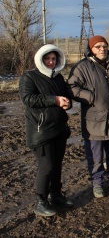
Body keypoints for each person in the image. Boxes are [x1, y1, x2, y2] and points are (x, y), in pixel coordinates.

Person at [67, 35, 109, 198]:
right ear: (91, 50)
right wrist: (91, 97)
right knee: (95, 156)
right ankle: (97, 183)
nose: (102, 49)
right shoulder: (83, 67)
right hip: (95, 121)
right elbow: (72, 87)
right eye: (98, 47)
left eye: (104, 46)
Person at [19, 44, 73, 217]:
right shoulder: (30, 76)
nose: (51, 62)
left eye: (53, 59)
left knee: (57, 165)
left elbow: (67, 95)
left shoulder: (58, 77)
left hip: (58, 129)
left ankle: (55, 195)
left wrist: (67, 102)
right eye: (47, 59)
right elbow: (28, 99)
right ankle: (41, 202)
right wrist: (55, 100)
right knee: (46, 166)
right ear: (40, 59)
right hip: (40, 130)